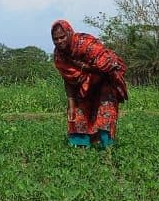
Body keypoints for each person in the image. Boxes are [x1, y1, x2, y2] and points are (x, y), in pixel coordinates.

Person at [51, 19, 128, 148]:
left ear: (69, 33)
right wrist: (71, 105)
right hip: (83, 87)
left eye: (62, 37)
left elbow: (106, 61)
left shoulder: (85, 43)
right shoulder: (59, 56)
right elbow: (68, 80)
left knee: (105, 112)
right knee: (77, 114)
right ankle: (80, 148)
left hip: (105, 80)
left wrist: (92, 72)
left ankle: (107, 149)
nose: (59, 41)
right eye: (56, 39)